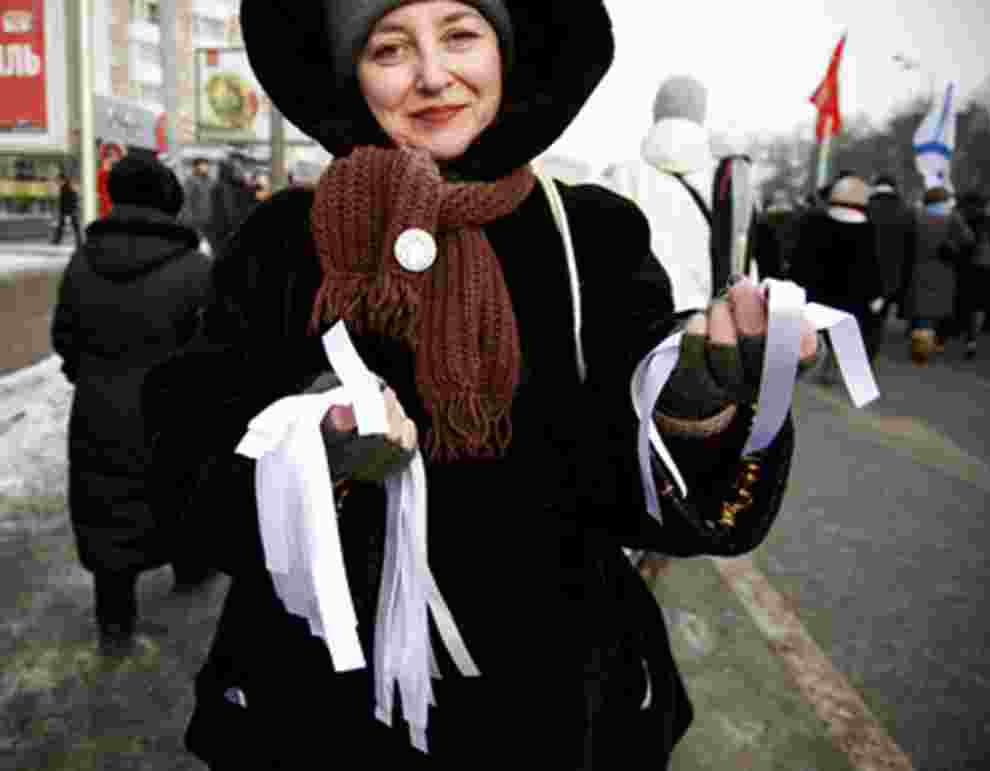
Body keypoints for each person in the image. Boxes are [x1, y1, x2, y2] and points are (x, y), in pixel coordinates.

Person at [142, 2, 820, 768]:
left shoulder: (591, 237)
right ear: (349, 76)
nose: (433, 75)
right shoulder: (280, 245)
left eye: (461, 35)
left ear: (509, 49)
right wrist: (307, 456)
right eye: (390, 48)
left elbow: (639, 495)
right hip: (324, 711)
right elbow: (183, 483)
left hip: (550, 709)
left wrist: (696, 410)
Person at [50, 153, 215, 656]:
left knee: (107, 508)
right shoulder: (197, 270)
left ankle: (114, 621)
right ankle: (190, 569)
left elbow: (65, 337)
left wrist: (93, 375)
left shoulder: (83, 262)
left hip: (99, 409)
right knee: (181, 490)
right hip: (175, 412)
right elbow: (211, 350)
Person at [595, 74, 716, 313]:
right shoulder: (723, 184)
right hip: (707, 326)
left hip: (636, 323)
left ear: (656, 112)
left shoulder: (620, 176)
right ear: (701, 114)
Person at [789, 175, 885, 374]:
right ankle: (842, 366)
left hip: (817, 291)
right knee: (849, 331)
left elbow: (800, 259)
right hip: (854, 294)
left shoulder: (813, 223)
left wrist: (796, 283)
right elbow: (873, 265)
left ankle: (816, 361)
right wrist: (876, 293)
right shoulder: (869, 229)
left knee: (817, 330)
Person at [903, 185, 975, 364]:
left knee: (922, 313)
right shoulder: (953, 217)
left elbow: (906, 240)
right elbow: (968, 239)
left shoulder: (916, 216)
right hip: (944, 270)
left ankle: (921, 351)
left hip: (919, 268)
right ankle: (931, 345)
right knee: (937, 312)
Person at [866, 175, 917, 348]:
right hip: (891, 273)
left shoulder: (863, 207)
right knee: (880, 315)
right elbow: (910, 248)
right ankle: (872, 346)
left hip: (862, 269)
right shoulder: (905, 211)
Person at [947, 191, 990, 360]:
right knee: (979, 305)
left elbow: (961, 243)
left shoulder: (962, 220)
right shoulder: (989, 220)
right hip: (985, 266)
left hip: (967, 267)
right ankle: (972, 338)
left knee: (967, 304)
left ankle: (968, 337)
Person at [207, 154, 257, 259]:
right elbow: (228, 214)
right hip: (226, 236)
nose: (242, 171)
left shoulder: (244, 187)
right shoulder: (222, 188)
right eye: (238, 168)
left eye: (242, 167)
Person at [181, 157, 218, 250]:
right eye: (202, 165)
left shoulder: (212, 182)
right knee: (197, 244)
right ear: (195, 167)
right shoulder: (191, 181)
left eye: (206, 165)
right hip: (196, 221)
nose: (205, 167)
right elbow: (186, 200)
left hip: (210, 220)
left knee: (210, 246)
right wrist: (189, 218)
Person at [51, 173, 81, 248]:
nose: (57, 183)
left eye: (57, 180)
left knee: (74, 226)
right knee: (64, 226)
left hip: (69, 210)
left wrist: (67, 211)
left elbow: (70, 199)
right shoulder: (65, 187)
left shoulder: (66, 187)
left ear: (62, 180)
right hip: (68, 210)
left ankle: (79, 241)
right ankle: (57, 240)